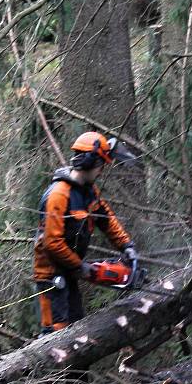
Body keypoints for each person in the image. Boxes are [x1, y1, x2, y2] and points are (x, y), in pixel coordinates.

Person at [33, 131, 139, 335]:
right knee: (55, 333)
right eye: (100, 166)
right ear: (91, 162)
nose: (100, 171)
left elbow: (106, 219)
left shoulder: (89, 191)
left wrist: (127, 246)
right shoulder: (58, 195)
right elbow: (52, 243)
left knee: (76, 328)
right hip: (51, 274)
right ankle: (55, 368)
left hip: (69, 270)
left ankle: (74, 367)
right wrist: (82, 266)